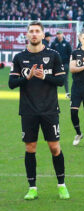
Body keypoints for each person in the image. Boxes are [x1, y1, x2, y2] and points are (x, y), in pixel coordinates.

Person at [8, 21, 69, 201]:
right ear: (27, 35)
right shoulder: (19, 57)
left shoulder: (53, 55)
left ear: (43, 35)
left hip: (49, 109)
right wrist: (26, 77)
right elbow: (11, 84)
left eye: (37, 31)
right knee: (30, 147)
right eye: (31, 31)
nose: (34, 34)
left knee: (54, 147)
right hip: (28, 110)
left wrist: (45, 76)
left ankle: (62, 185)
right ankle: (32, 187)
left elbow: (61, 81)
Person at [50, 31, 72, 98]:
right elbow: (51, 54)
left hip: (65, 64)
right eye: (58, 34)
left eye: (60, 34)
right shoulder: (54, 44)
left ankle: (67, 93)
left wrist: (69, 63)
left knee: (65, 79)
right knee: (55, 78)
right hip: (56, 65)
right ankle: (54, 93)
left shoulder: (67, 44)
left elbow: (70, 54)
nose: (59, 35)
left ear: (63, 35)